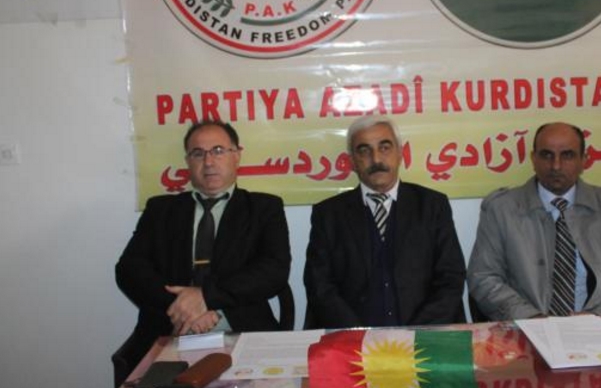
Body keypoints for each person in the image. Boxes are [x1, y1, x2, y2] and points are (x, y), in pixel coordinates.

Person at [467, 121, 601, 367]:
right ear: (533, 159)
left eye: (567, 155)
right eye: (546, 155)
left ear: (583, 160)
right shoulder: (501, 210)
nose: (556, 166)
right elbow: (483, 277)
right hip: (528, 337)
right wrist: (532, 319)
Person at [116, 120, 291, 347]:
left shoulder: (263, 208)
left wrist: (206, 298)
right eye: (198, 153)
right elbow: (129, 269)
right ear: (188, 161)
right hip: (171, 330)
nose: (208, 162)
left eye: (218, 151)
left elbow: (274, 270)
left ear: (237, 155)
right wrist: (182, 307)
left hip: (243, 329)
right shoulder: (160, 210)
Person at [303, 115, 466, 329]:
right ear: (352, 162)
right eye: (364, 150)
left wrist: (416, 333)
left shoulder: (432, 206)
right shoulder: (328, 214)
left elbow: (451, 277)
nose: (376, 159)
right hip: (352, 337)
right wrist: (358, 334)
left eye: (385, 147)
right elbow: (319, 286)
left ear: (400, 153)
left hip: (425, 334)